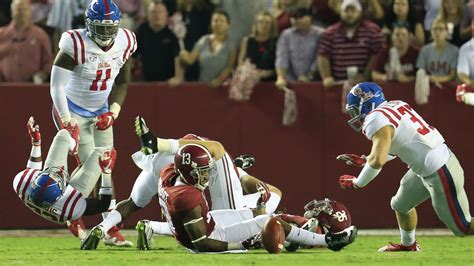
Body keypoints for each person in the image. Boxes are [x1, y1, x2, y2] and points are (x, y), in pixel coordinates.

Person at [83, 142, 358, 252]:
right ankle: (328, 240)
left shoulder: (169, 173)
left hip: (206, 221)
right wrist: (236, 249)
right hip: (208, 236)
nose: (207, 176)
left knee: (260, 215)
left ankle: (308, 234)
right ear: (189, 170)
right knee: (268, 221)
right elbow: (201, 243)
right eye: (202, 171)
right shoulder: (187, 195)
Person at [80, 116, 283, 250]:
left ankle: (111, 226)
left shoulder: (208, 166)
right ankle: (157, 143)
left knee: (137, 203)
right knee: (271, 196)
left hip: (163, 162)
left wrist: (102, 226)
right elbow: (217, 152)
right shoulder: (219, 168)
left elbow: (131, 204)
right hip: (183, 157)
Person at [337, 82, 474, 252]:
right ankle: (409, 244)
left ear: (366, 102)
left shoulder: (375, 118)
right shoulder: (396, 104)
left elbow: (378, 161)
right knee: (400, 204)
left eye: (355, 109)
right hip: (428, 166)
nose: (355, 114)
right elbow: (398, 146)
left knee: (463, 227)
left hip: (440, 171)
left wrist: (358, 182)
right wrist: (366, 160)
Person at [49, 0, 136, 247]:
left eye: (111, 28)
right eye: (101, 27)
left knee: (106, 168)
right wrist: (67, 120)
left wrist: (114, 112)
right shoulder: (74, 43)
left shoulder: (126, 42)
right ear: (88, 25)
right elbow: (55, 86)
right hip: (72, 109)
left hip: (101, 110)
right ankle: (75, 214)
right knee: (94, 167)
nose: (107, 34)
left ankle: (105, 227)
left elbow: (122, 82)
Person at [13, 117, 115, 235]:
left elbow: (32, 169)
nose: (60, 171)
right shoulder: (72, 208)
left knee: (63, 135)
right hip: (67, 203)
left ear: (35, 181)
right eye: (60, 179)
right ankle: (74, 222)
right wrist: (106, 173)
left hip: (56, 199)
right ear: (63, 191)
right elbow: (102, 204)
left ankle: (73, 145)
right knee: (104, 153)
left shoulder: (22, 183)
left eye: (53, 174)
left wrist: (36, 142)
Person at [317, 0, 383, 88]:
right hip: (338, 84)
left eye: (353, 10)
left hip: (365, 86)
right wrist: (326, 77)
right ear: (340, 12)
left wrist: (365, 75)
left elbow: (377, 54)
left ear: (360, 12)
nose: (349, 14)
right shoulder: (330, 32)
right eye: (346, 11)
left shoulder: (373, 30)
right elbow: (323, 55)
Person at [178, 10, 237, 87]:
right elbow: (191, 59)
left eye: (222, 21)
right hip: (203, 86)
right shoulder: (203, 40)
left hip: (222, 88)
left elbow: (230, 66)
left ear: (227, 24)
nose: (218, 23)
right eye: (215, 21)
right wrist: (184, 55)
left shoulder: (231, 44)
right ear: (211, 23)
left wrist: (219, 80)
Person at [0, 0, 52, 82]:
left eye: (24, 9)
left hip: (32, 88)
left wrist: (42, 75)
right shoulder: (2, 34)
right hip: (4, 87)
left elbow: (48, 62)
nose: (21, 13)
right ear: (12, 13)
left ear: (30, 12)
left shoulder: (41, 35)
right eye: (18, 9)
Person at [275, 8, 324, 89]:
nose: (295, 20)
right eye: (293, 18)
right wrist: (280, 77)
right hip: (290, 81)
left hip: (315, 80)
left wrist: (309, 76)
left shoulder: (320, 34)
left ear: (310, 18)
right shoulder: (286, 34)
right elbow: (281, 57)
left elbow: (319, 57)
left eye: (300, 18)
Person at [134, 1, 181, 82]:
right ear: (148, 15)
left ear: (166, 14)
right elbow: (131, 55)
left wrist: (178, 77)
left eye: (160, 12)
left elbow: (178, 56)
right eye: (153, 12)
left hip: (168, 82)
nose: (157, 15)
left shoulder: (172, 33)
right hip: (145, 81)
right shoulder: (142, 30)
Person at [238, 11, 278, 82]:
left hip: (270, 81)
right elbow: (240, 63)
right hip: (249, 80)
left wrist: (267, 73)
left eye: (267, 23)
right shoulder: (247, 41)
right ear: (256, 24)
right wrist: (249, 72)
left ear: (272, 25)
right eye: (261, 22)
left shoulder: (277, 41)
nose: (264, 25)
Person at [416, 18, 458, 85]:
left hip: (449, 86)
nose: (437, 32)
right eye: (434, 29)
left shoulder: (454, 51)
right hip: (429, 84)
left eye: (441, 29)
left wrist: (438, 79)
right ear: (430, 32)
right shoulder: (424, 50)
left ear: (447, 32)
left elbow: (452, 75)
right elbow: (420, 72)